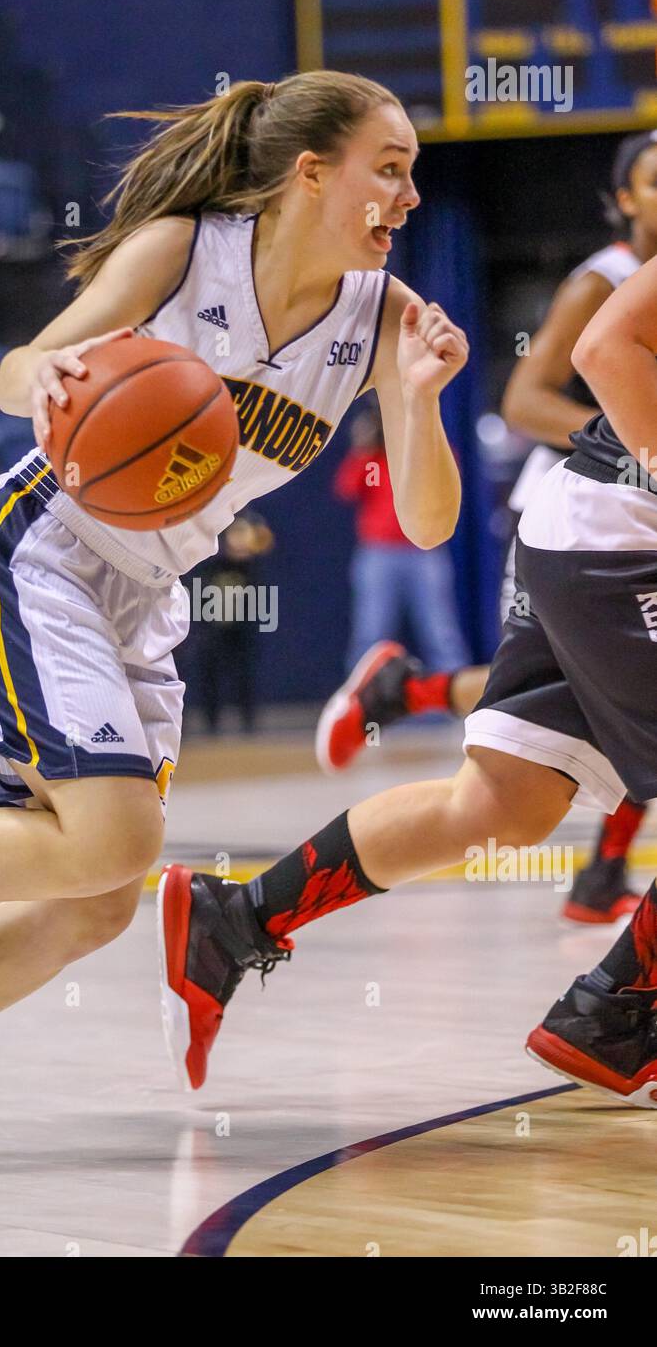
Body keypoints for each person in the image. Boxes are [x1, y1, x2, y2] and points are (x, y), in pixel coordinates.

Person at [0, 71, 467, 1171]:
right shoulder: (182, 250)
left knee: (97, 899)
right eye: (386, 168)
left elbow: (430, 522)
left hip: (146, 598)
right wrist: (48, 371)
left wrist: (424, 399)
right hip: (43, 550)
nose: (406, 194)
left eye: (412, 174)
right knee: (120, 840)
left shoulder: (382, 317)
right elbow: (21, 373)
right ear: (310, 172)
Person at [157, 248, 657, 1103]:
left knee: (505, 804)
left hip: (588, 535)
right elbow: (603, 348)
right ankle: (613, 1013)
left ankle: (237, 919)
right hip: (623, 537)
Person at [315, 129, 657, 925]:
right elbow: (525, 401)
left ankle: (600, 881)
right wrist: (636, 440)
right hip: (585, 513)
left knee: (599, 695)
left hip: (628, 516)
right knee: (599, 685)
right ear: (627, 201)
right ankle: (408, 688)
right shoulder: (602, 281)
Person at [332, 405, 468, 681]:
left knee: (440, 632)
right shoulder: (373, 459)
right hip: (379, 553)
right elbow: (345, 490)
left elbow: (452, 483)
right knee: (372, 632)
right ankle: (360, 703)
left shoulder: (427, 451)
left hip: (424, 552)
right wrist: (362, 448)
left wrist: (426, 442)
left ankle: (455, 703)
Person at [192, 510, 274, 734]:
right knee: (210, 675)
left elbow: (264, 546)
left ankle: (248, 724)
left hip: (241, 627)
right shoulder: (211, 560)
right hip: (212, 627)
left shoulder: (249, 566)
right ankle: (211, 725)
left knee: (244, 675)